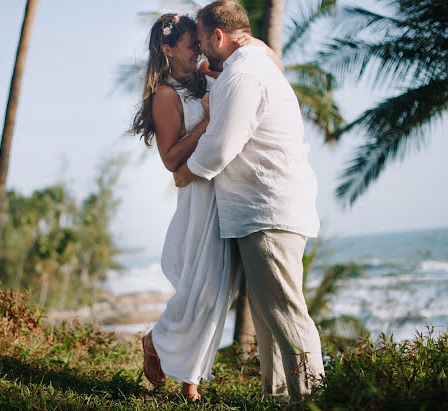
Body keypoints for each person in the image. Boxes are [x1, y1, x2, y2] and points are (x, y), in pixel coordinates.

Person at [173, 0, 325, 403]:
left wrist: (185, 172)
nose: (202, 50)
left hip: (267, 210)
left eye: (204, 41)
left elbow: (221, 146)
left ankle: (313, 400)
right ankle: (276, 397)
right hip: (266, 208)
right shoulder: (253, 64)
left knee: (285, 312)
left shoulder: (244, 74)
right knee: (268, 313)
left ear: (218, 36)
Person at [131, 13, 283, 402]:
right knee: (201, 289)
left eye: (199, 43)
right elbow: (170, 159)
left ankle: (187, 376)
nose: (198, 50)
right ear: (167, 49)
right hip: (198, 194)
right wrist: (206, 124)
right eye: (190, 45)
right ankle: (160, 348)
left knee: (220, 291)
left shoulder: (207, 76)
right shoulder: (164, 95)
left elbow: (265, 67)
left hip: (228, 190)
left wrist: (252, 42)